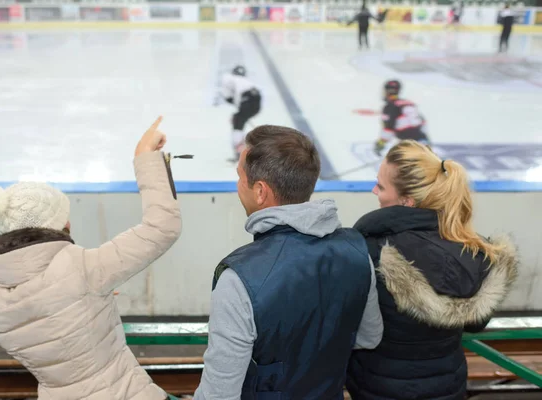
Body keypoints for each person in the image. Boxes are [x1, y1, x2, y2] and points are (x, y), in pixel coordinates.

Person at [0, 117, 182, 400]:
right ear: (62, 226)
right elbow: (162, 228)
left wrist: (87, 299)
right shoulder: (82, 270)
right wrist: (145, 157)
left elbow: (50, 317)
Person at [194, 125, 383, 399]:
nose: (237, 186)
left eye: (239, 177)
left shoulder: (239, 279)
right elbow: (369, 337)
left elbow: (218, 395)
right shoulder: (356, 251)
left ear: (260, 191)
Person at [346, 140, 518, 400]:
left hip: (379, 389)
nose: (374, 190)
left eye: (380, 186)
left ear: (407, 201)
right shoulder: (476, 252)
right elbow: (476, 323)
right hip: (447, 388)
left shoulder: (370, 251)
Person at [214, 65, 262, 162]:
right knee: (238, 118)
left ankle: (239, 150)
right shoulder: (246, 81)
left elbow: (228, 96)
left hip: (246, 100)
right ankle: (241, 147)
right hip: (256, 101)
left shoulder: (229, 78)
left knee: (237, 121)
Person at [375, 79, 430, 156]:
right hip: (422, 140)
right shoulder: (408, 103)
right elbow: (422, 122)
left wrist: (380, 144)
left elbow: (388, 128)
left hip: (410, 144)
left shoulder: (389, 107)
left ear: (387, 91)